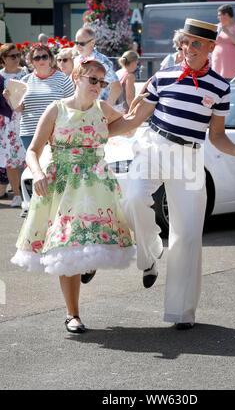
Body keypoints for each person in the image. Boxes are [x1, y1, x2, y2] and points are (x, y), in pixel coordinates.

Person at [107, 18, 235, 330]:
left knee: (187, 236)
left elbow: (216, 136)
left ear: (211, 47)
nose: (189, 48)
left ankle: (182, 312)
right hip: (153, 145)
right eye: (185, 42)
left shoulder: (221, 87)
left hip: (189, 157)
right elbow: (135, 119)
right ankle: (148, 255)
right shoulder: (164, 76)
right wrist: (96, 132)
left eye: (196, 43)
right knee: (132, 199)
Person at [11, 58, 135, 333]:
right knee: (67, 250)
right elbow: (32, 150)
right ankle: (72, 315)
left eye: (102, 82)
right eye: (93, 80)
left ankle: (88, 265)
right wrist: (39, 173)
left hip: (96, 184)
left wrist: (144, 98)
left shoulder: (102, 108)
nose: (98, 86)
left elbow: (127, 126)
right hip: (62, 184)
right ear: (77, 77)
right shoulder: (56, 109)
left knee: (88, 243)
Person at [18, 43, 74, 150]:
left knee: (54, 165)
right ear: (32, 61)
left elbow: (72, 106)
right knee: (35, 166)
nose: (41, 60)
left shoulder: (63, 79)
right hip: (30, 133)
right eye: (37, 58)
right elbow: (19, 109)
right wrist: (11, 99)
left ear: (50, 59)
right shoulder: (24, 81)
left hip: (56, 132)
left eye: (44, 56)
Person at [0, 44, 28, 207]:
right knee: (11, 160)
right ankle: (17, 194)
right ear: (3, 59)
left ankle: (26, 193)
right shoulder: (0, 76)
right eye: (13, 56)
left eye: (18, 55)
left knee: (26, 158)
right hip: (7, 123)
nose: (17, 59)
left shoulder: (25, 74)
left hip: (25, 119)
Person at [74, 27, 122, 105]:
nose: (77, 47)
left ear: (92, 43)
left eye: (82, 44)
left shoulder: (101, 61)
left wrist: (105, 110)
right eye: (76, 43)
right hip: (82, 108)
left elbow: (117, 87)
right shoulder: (77, 59)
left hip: (97, 110)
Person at [211, 4, 235, 80]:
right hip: (218, 69)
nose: (217, 18)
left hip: (234, 71)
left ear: (226, 15)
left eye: (219, 15)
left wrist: (227, 32)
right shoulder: (217, 27)